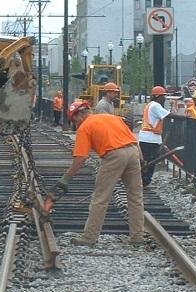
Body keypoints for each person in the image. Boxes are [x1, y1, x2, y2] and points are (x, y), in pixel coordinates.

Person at [47, 101, 144, 246]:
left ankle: (89, 237)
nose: (75, 124)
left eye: (74, 120)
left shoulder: (85, 127)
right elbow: (133, 139)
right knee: (135, 197)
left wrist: (66, 179)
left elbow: (81, 157)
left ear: (79, 114)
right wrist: (141, 159)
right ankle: (137, 238)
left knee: (100, 198)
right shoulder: (112, 118)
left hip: (114, 155)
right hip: (132, 152)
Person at [138, 85, 171, 186]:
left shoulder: (150, 105)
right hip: (151, 139)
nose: (164, 98)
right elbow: (168, 115)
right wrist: (183, 117)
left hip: (146, 137)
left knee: (144, 160)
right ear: (158, 96)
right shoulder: (156, 106)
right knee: (150, 161)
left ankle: (140, 179)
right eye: (163, 96)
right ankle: (145, 180)